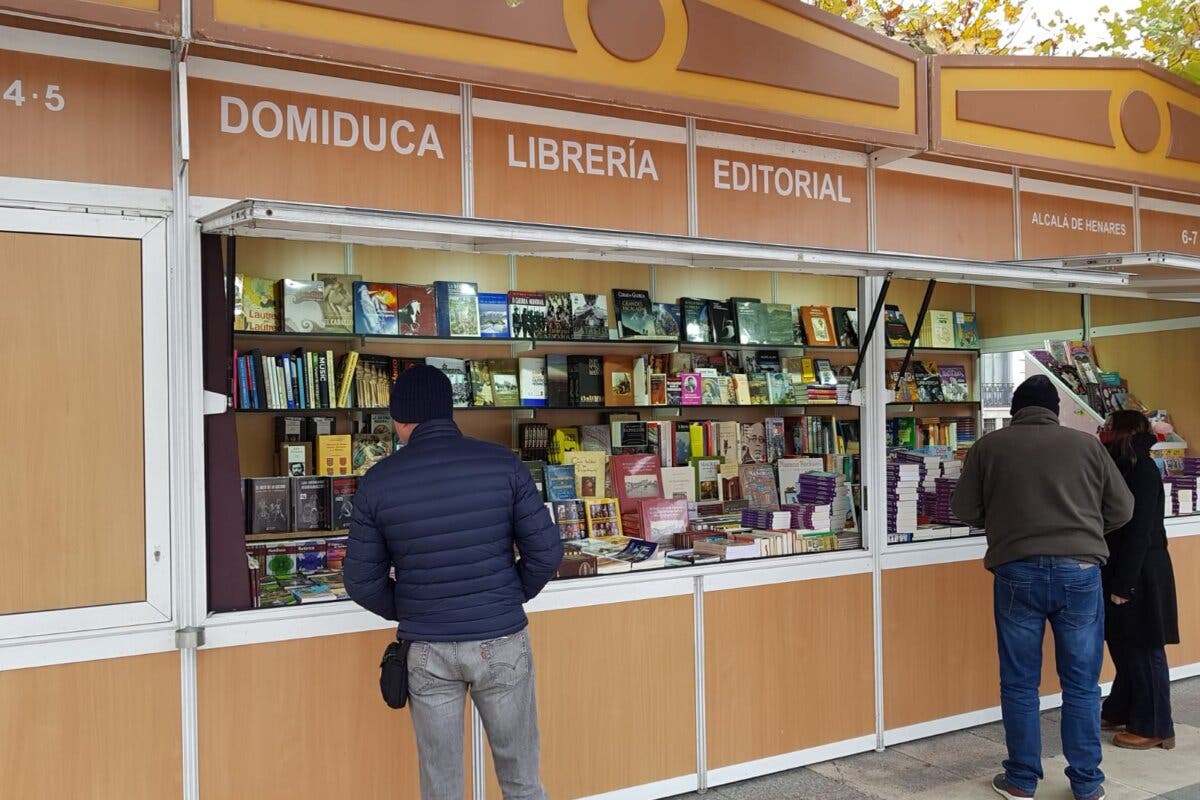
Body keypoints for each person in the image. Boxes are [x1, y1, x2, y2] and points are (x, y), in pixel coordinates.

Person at [344, 365, 563, 800]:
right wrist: (505, 596)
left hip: (427, 649)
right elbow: (546, 553)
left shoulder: (379, 480)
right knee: (521, 778)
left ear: (401, 419)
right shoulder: (503, 464)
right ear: (449, 412)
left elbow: (361, 581)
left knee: (441, 785)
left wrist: (412, 606)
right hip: (501, 638)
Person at [951, 375, 1134, 800]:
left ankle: (1021, 780)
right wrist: (1086, 533)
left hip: (1017, 571)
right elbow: (1123, 508)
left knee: (1019, 682)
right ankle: (1088, 784)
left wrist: (1002, 523)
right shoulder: (1088, 446)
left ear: (1015, 410)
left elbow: (964, 509)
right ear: (1054, 409)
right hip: (1081, 573)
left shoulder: (989, 447)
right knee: (1082, 683)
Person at [1099, 410, 1179, 750]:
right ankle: (1121, 707)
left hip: (1139, 573)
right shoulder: (1124, 465)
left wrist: (1124, 585)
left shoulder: (1141, 470)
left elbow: (1139, 532)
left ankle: (1155, 725)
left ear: (1120, 432)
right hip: (1123, 568)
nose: (1101, 432)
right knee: (1123, 643)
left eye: (1106, 427)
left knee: (1144, 647)